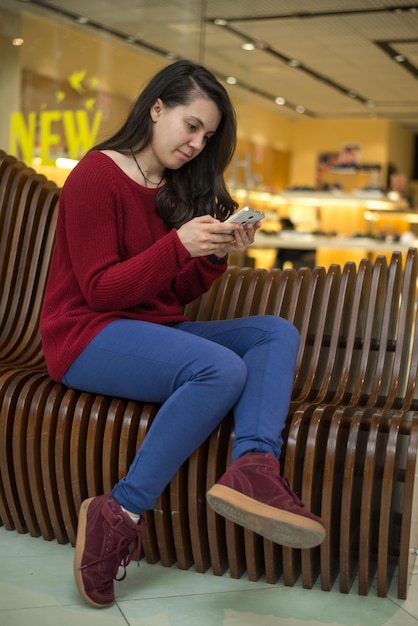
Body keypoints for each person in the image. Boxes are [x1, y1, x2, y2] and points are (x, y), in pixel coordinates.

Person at [40, 60, 326, 609]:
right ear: (157, 108)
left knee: (273, 332)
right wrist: (177, 245)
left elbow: (170, 299)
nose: (198, 144)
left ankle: (254, 467)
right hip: (84, 336)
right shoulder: (96, 174)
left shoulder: (173, 190)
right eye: (192, 126)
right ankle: (118, 511)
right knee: (219, 368)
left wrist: (212, 254)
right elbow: (100, 291)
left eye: (208, 135)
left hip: (147, 330)